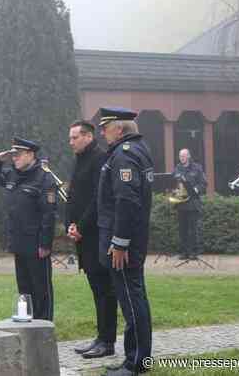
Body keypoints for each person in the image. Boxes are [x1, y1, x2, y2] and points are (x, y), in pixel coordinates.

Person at [97, 107, 153, 376]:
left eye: (105, 127)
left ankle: (137, 362)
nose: (102, 132)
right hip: (130, 238)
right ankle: (135, 357)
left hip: (125, 243)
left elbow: (127, 201)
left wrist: (119, 243)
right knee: (133, 298)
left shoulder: (124, 154)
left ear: (119, 129)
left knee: (132, 301)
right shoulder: (135, 150)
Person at [66, 120, 117, 359]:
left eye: (74, 138)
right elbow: (74, 194)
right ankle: (100, 337)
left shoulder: (99, 158)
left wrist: (81, 226)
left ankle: (108, 341)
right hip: (83, 235)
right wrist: (69, 224)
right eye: (70, 138)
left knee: (105, 290)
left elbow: (99, 198)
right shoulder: (81, 159)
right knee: (97, 289)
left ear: (87, 136)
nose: (71, 142)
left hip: (96, 234)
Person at [0, 137, 57, 320]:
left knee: (41, 288)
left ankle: (44, 325)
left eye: (18, 154)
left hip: (36, 244)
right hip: (19, 240)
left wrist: (45, 244)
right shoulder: (13, 174)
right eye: (13, 155)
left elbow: (48, 213)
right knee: (24, 288)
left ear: (30, 154)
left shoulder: (44, 178)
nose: (14, 158)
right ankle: (28, 323)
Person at [172, 149, 207, 260]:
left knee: (193, 230)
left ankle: (194, 253)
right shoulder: (177, 168)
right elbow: (173, 183)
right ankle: (184, 252)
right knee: (183, 230)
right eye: (180, 156)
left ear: (189, 156)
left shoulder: (197, 168)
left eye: (184, 155)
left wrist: (195, 189)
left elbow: (204, 183)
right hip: (181, 203)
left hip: (193, 203)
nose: (181, 157)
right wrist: (174, 191)